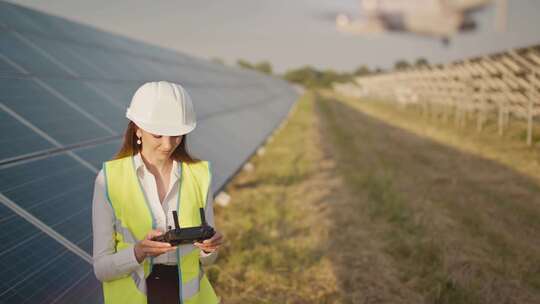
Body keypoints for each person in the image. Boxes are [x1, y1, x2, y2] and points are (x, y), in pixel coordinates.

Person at [92, 81, 223, 304]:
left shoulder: (200, 174)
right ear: (137, 128)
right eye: (158, 135)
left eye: (177, 135)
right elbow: (101, 269)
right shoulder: (109, 179)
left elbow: (207, 260)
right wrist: (138, 252)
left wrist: (209, 249)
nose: (168, 144)